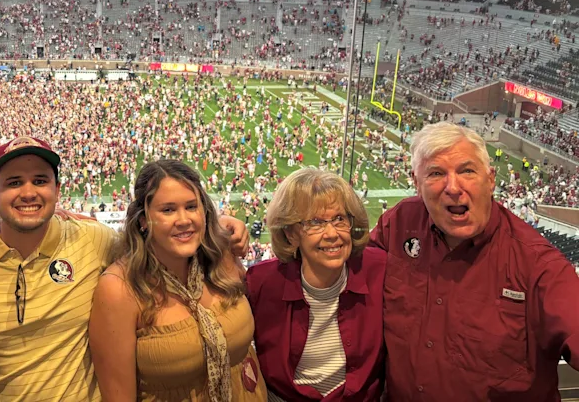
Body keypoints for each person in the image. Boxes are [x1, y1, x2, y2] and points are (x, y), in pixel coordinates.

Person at [0, 137, 249, 402]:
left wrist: (218, 225)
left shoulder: (93, 239)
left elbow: (155, 235)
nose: (29, 192)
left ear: (57, 190)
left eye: (40, 181)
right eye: (14, 183)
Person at [370, 121, 579, 401]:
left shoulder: (538, 265)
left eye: (467, 170)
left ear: (490, 179)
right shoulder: (398, 224)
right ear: (416, 184)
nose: (453, 187)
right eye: (436, 173)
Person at [90, 159, 267, 401]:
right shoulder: (120, 289)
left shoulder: (220, 256)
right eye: (168, 210)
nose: (184, 219)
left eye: (191, 207)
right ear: (143, 219)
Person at [247, 168, 385, 402]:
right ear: (291, 234)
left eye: (339, 219)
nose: (332, 234)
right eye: (315, 223)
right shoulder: (261, 283)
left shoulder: (380, 270)